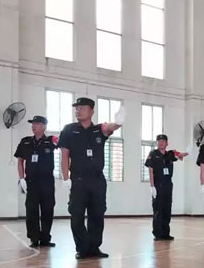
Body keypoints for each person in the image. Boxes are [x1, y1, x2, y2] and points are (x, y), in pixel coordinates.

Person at [58, 97, 124, 259]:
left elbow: (109, 127)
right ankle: (82, 248)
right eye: (77, 108)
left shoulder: (98, 130)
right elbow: (64, 156)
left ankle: (94, 248)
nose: (78, 110)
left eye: (82, 107)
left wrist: (118, 122)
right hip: (78, 180)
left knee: (97, 215)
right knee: (77, 215)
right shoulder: (69, 130)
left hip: (97, 181)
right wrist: (66, 178)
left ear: (91, 111)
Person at [14, 115, 58, 248]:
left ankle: (45, 238)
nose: (33, 126)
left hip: (47, 182)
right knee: (31, 210)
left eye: (37, 124)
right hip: (31, 182)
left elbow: (63, 144)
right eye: (32, 124)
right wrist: (21, 178)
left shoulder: (50, 141)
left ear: (43, 126)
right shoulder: (26, 142)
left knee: (47, 210)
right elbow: (20, 161)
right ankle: (34, 238)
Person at [145, 134, 187, 241]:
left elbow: (179, 155)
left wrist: (187, 152)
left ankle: (165, 233)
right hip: (158, 184)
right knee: (158, 210)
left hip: (168, 184)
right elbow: (150, 170)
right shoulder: (153, 154)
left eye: (163, 141)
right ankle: (158, 234)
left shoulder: (169, 154)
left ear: (167, 143)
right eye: (159, 141)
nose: (161, 143)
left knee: (167, 209)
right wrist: (152, 186)